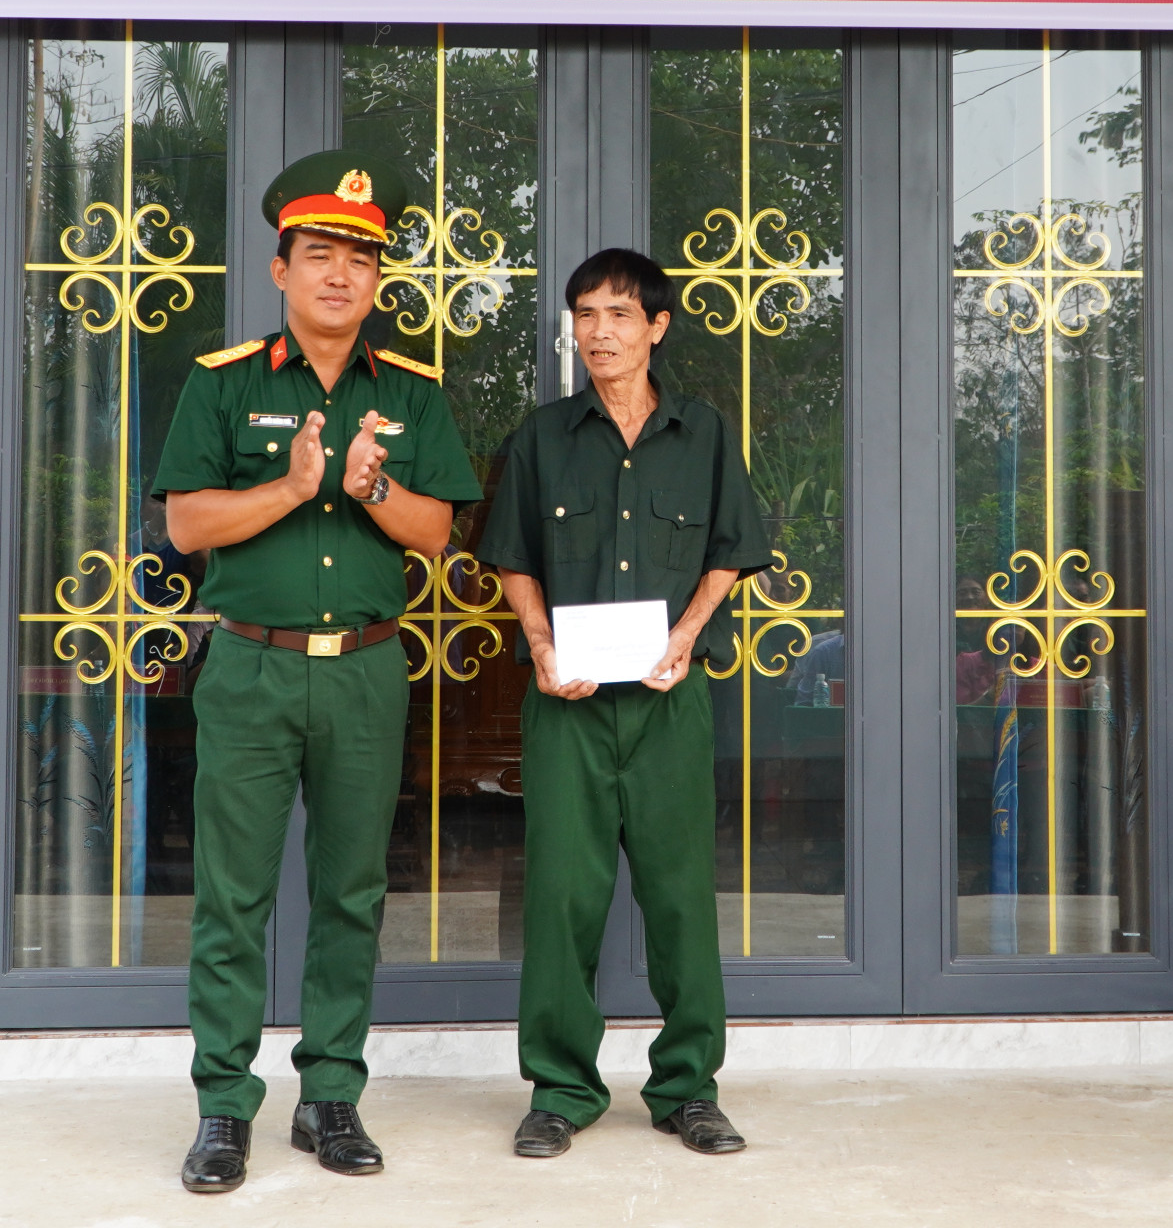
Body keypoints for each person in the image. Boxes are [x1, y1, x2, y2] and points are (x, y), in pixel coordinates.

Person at [148, 151, 481, 1194]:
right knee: (232, 896)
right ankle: (223, 1104)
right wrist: (293, 487)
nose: (341, 274)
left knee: (351, 891)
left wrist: (371, 487)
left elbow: (435, 531)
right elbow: (188, 523)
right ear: (281, 267)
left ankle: (330, 1094)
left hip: (365, 674)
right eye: (322, 254)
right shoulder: (224, 381)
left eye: (361, 260)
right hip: (251, 666)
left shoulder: (411, 392)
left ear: (378, 280)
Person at [476, 247, 770, 1160]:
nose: (598, 332)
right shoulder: (542, 438)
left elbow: (731, 549)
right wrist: (539, 644)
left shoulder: (704, 433)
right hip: (567, 707)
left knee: (680, 898)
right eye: (585, 315)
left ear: (656, 327)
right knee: (562, 897)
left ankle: (688, 1089)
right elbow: (513, 556)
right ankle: (560, 1090)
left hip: (667, 704)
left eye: (617, 314)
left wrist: (687, 635)